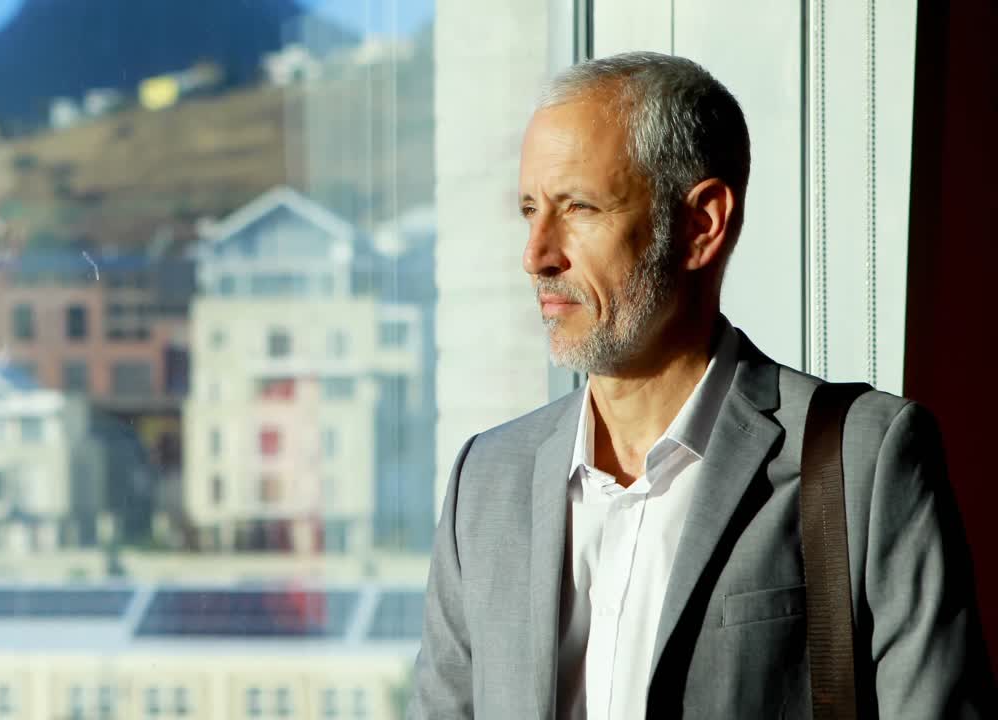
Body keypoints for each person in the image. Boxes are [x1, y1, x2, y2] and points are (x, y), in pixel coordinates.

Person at [407, 51, 995, 719]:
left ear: (702, 225)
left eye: (578, 209)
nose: (537, 254)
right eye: (530, 210)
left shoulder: (866, 456)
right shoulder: (487, 480)